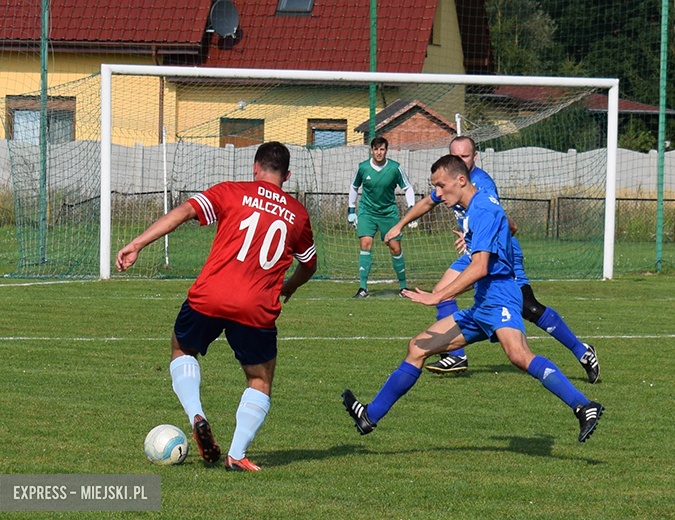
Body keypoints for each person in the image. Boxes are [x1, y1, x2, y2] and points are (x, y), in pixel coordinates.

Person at [342, 154, 603, 442]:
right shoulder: (475, 208)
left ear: (461, 180)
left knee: (518, 355)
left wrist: (437, 296)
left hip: (501, 296)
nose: (438, 193)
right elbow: (503, 237)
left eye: (441, 186)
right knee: (417, 347)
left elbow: (480, 267)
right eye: (435, 187)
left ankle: (584, 406)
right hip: (483, 302)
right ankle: (370, 415)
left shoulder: (482, 210)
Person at [116, 142, 317, 472]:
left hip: (210, 295)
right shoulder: (298, 214)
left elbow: (182, 214)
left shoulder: (231, 191)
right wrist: (289, 287)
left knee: (182, 349)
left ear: (255, 169)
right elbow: (309, 265)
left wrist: (136, 244)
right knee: (259, 380)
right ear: (288, 175)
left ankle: (196, 414)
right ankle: (236, 455)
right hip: (257, 306)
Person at [385, 136, 599, 382]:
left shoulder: (483, 185)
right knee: (443, 291)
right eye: (455, 155)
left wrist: (475, 235)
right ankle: (457, 355)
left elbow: (508, 225)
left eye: (464, 156)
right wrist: (400, 225)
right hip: (476, 251)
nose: (460, 159)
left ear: (474, 158)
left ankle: (582, 351)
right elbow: (427, 202)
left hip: (500, 252)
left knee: (528, 307)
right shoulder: (449, 181)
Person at [347, 136, 416, 298]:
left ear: (386, 150)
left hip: (388, 213)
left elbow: (408, 188)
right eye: (376, 149)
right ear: (371, 151)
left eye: (382, 149)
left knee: (395, 247)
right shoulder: (363, 168)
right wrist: (351, 210)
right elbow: (354, 187)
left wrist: (412, 209)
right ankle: (363, 288)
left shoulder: (395, 168)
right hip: (367, 212)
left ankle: (403, 288)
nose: (379, 152)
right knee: (365, 244)